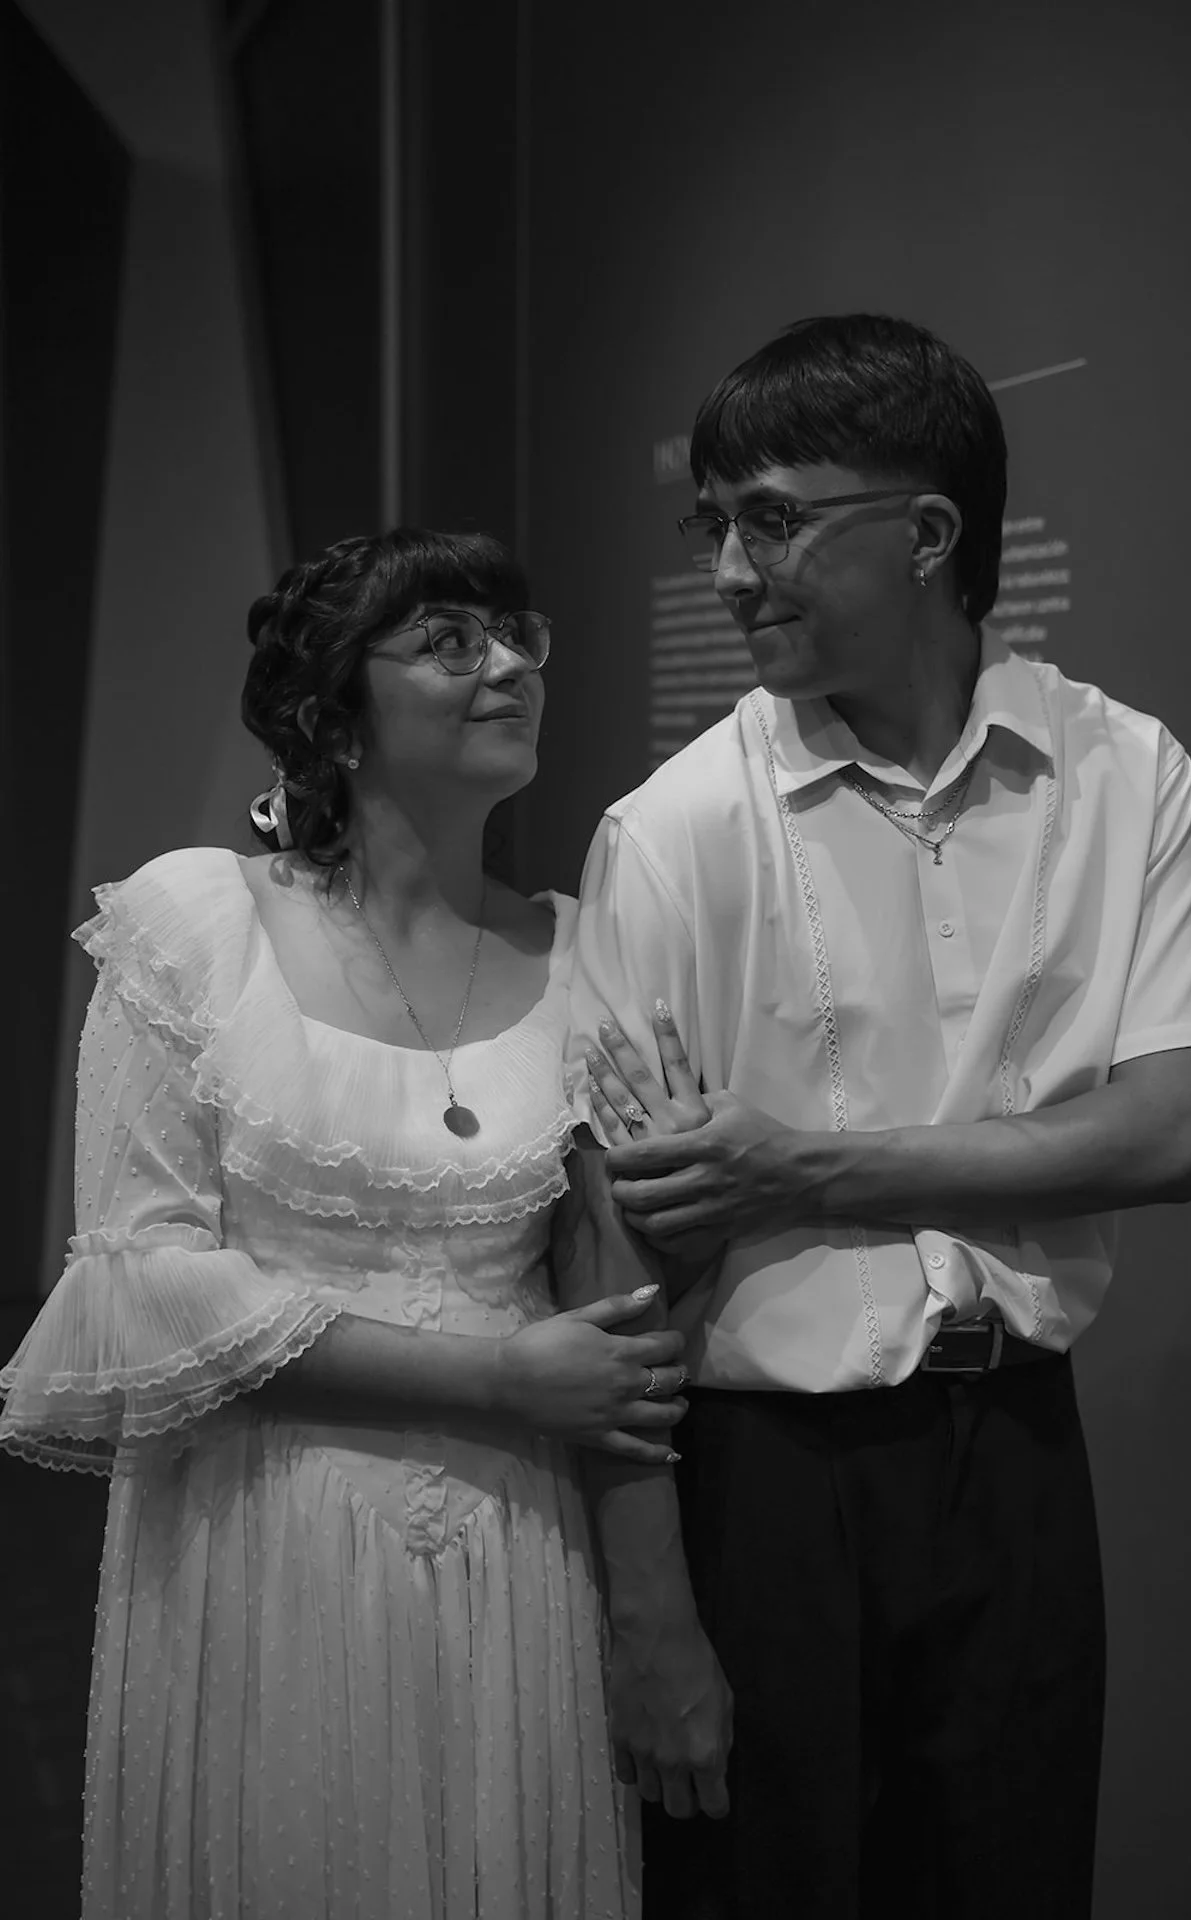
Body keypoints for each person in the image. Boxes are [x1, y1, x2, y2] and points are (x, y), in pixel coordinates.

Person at [563, 314, 1191, 1920]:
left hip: (1014, 1450)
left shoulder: (1123, 772)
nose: (732, 566)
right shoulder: (671, 833)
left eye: (776, 519)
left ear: (929, 533)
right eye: (713, 522)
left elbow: (1170, 1134)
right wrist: (649, 1615)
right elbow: (611, 1262)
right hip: (763, 1479)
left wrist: (802, 1170)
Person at [0, 527, 694, 1920]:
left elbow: (615, 1282)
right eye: (449, 641)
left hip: (521, 1550)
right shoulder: (197, 921)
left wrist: (652, 1604)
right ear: (332, 714)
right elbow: (146, 1274)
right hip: (271, 1534)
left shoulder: (578, 950)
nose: (507, 666)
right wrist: (497, 1373)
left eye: (518, 633)